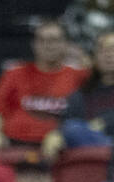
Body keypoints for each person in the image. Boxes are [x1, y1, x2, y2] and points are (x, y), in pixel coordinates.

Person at [0, 19, 88, 151]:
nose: (48, 45)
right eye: (42, 40)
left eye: (54, 40)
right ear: (34, 44)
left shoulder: (80, 76)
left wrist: (83, 57)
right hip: (15, 145)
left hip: (63, 149)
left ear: (66, 44)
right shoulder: (15, 73)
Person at [42, 31, 114, 159]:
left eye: (113, 49)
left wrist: (101, 123)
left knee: (73, 128)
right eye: (103, 50)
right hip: (90, 154)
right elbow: (65, 124)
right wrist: (55, 135)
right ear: (94, 57)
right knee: (70, 129)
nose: (108, 55)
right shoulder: (81, 94)